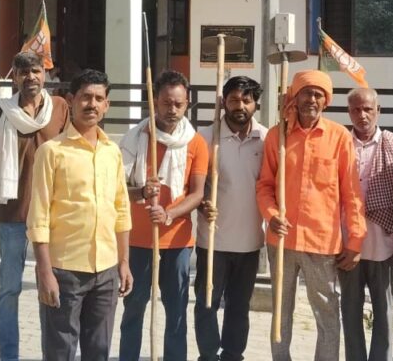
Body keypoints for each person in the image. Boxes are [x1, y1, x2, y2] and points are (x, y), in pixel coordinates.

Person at [256, 69, 366, 361]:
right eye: (306, 93)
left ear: (326, 100)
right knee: (281, 312)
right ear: (295, 96)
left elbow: (352, 193)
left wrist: (356, 239)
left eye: (318, 94)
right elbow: (264, 186)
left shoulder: (339, 137)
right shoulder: (277, 135)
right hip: (281, 240)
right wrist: (271, 214)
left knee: (327, 313)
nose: (312, 100)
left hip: (322, 242)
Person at [27, 69, 132, 361]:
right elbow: (38, 217)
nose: (92, 104)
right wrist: (44, 272)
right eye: (86, 97)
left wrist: (124, 262)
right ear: (71, 100)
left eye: (99, 98)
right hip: (64, 271)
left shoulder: (112, 152)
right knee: (59, 352)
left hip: (106, 271)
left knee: (99, 351)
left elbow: (121, 210)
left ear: (107, 105)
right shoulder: (51, 152)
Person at [0, 51, 69, 361]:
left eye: (36, 71)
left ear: (45, 74)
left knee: (51, 291)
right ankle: (9, 356)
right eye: (24, 72)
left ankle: (52, 355)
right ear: (14, 77)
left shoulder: (60, 108)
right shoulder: (0, 110)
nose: (31, 77)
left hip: (53, 216)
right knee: (9, 291)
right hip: (14, 214)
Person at [118, 70, 210, 361]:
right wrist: (142, 192)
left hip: (178, 241)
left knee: (176, 310)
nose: (172, 110)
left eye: (178, 104)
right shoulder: (135, 138)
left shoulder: (195, 142)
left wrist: (168, 214)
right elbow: (117, 189)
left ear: (187, 104)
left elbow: (197, 194)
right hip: (137, 239)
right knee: (134, 308)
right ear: (154, 101)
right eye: (166, 103)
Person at [194, 76, 268, 361]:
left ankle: (233, 355)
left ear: (256, 104)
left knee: (239, 305)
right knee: (207, 303)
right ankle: (207, 355)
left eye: (246, 100)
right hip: (213, 239)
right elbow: (194, 186)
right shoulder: (205, 138)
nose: (240, 106)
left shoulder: (267, 138)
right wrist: (202, 203)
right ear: (223, 102)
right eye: (234, 100)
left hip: (250, 240)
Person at [341, 88, 393, 361]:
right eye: (356, 110)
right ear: (349, 112)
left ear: (378, 110)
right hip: (347, 245)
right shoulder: (340, 144)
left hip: (383, 244)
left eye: (368, 109)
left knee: (383, 312)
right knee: (350, 311)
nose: (362, 115)